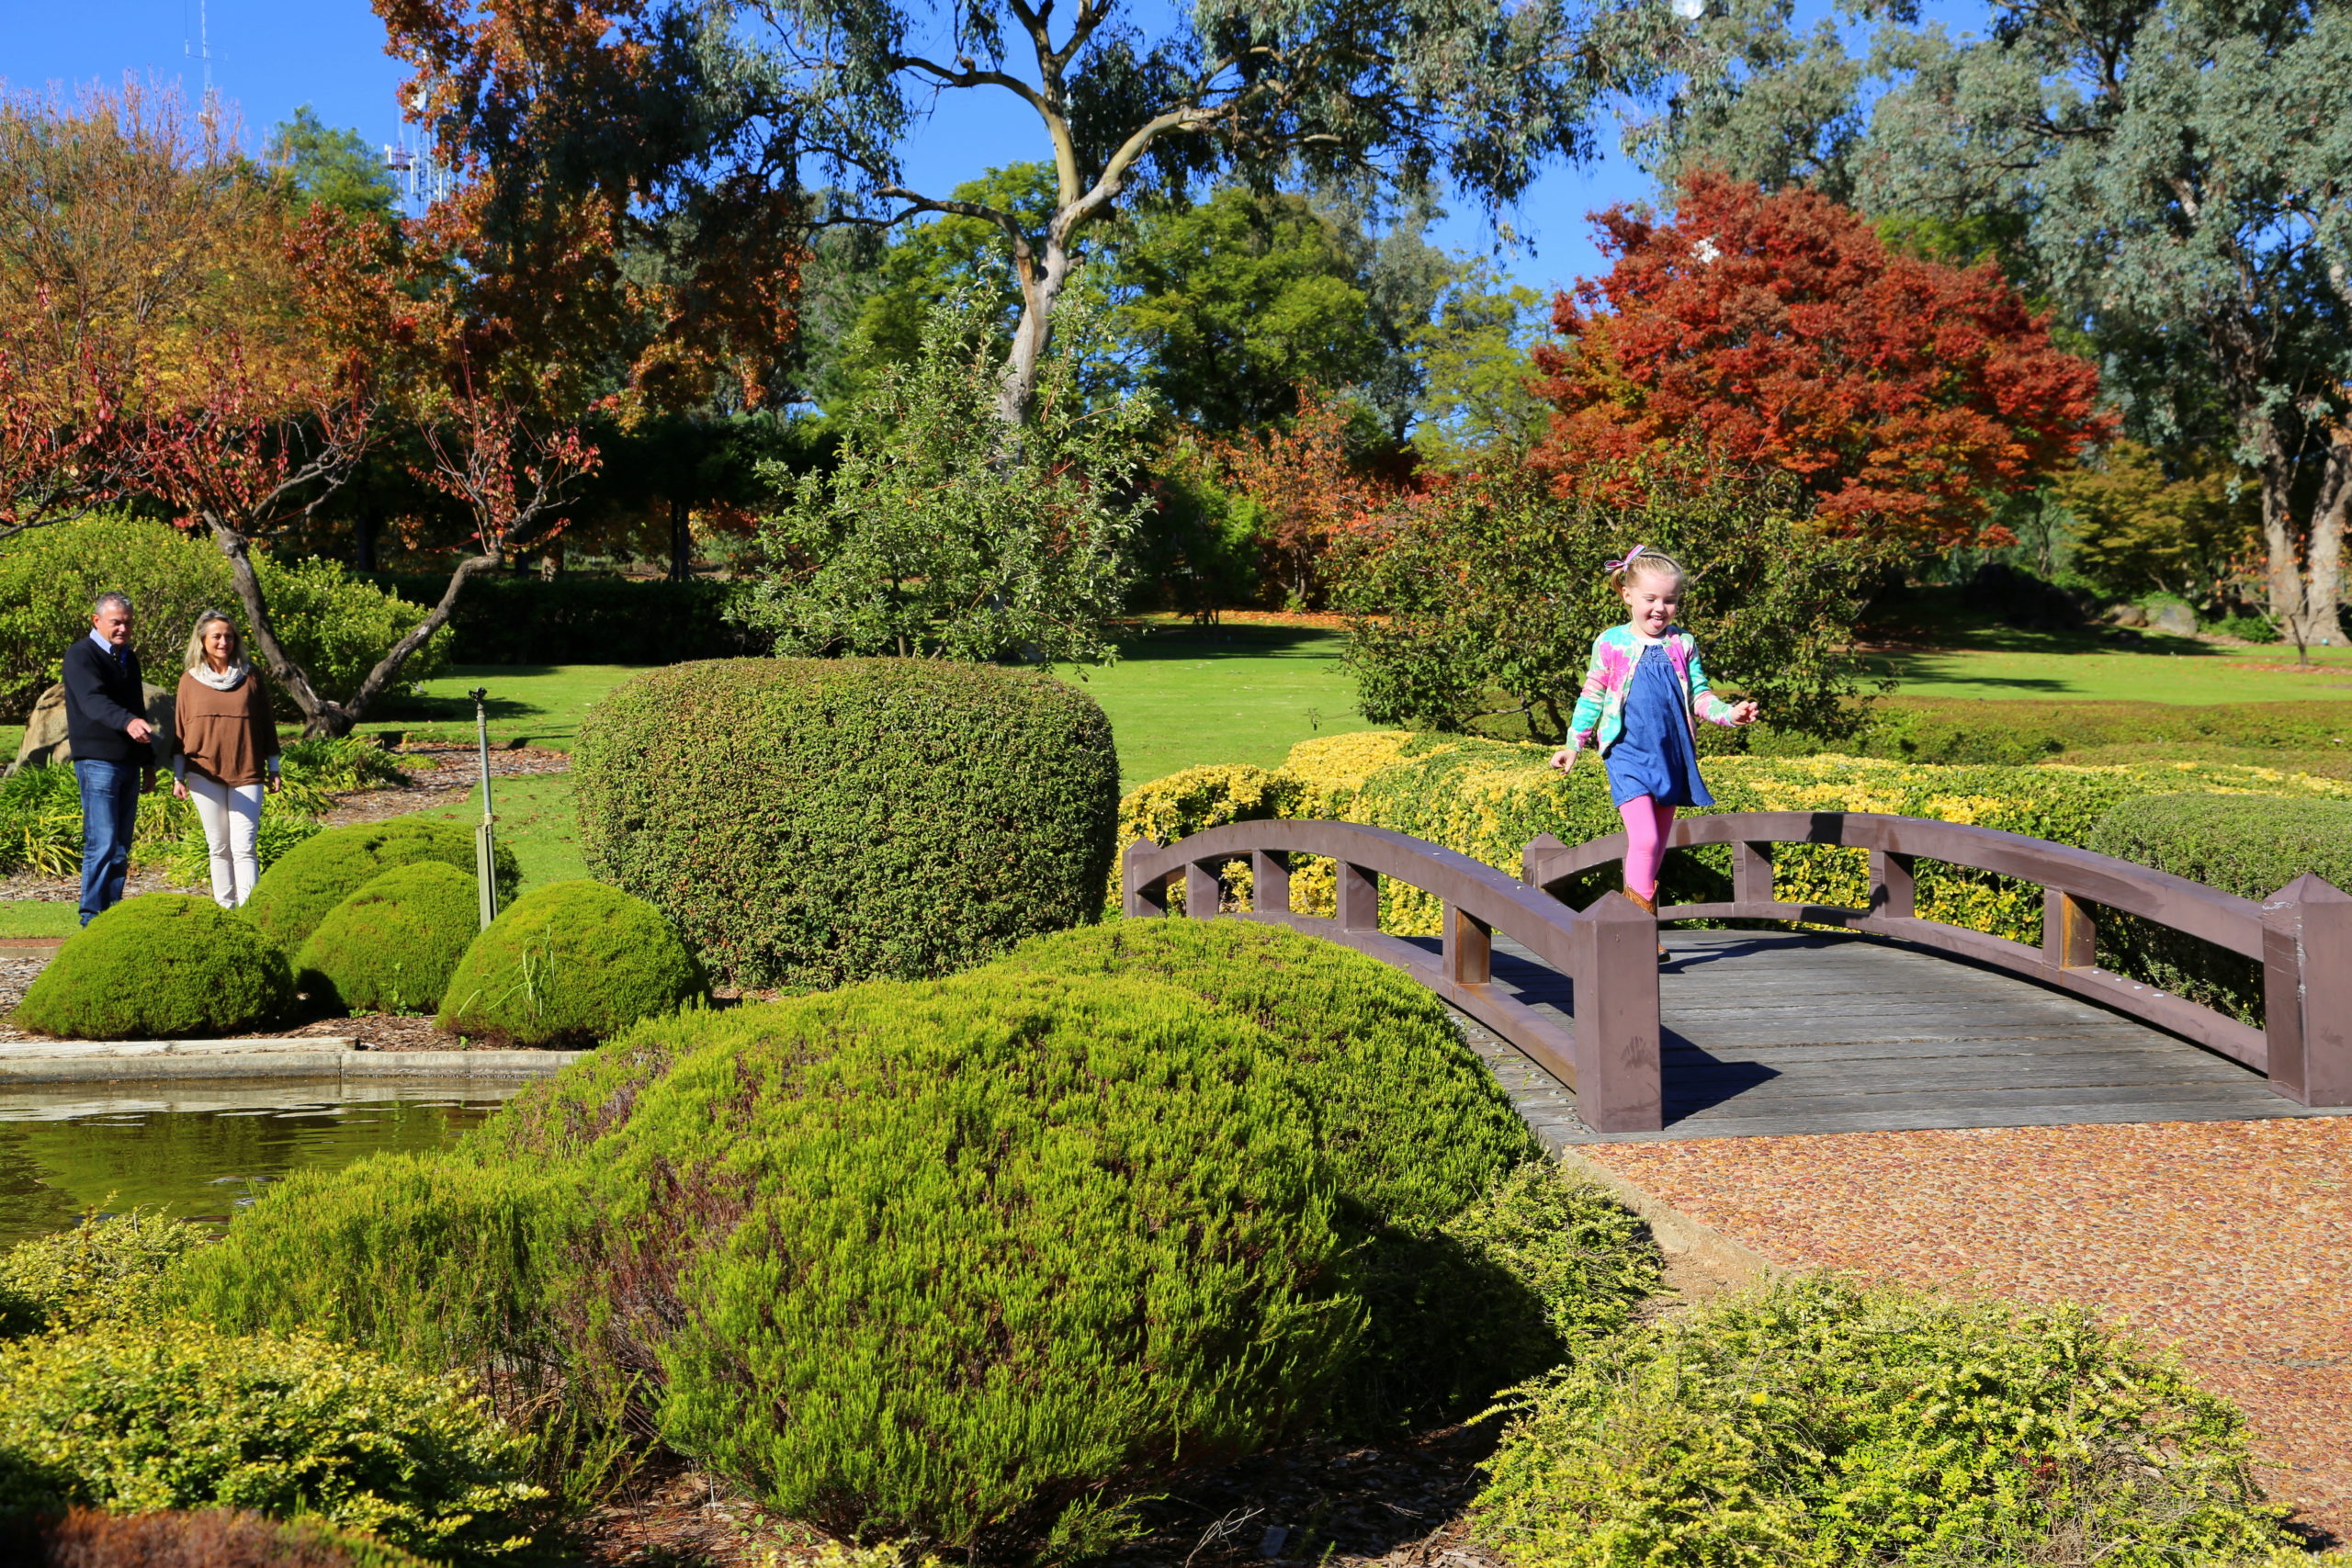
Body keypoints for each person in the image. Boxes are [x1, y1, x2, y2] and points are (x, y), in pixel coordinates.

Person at [1549, 547, 1758, 955]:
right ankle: (1639, 934)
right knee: (1643, 838)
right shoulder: (1611, 643)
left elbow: (1700, 696)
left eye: (1670, 600)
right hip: (1626, 752)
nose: (1660, 608)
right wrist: (1574, 743)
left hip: (1672, 754)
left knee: (1656, 846)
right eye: (1651, 598)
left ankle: (1635, 925)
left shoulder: (1683, 643)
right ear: (1627, 594)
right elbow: (1592, 694)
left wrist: (1729, 715)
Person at [168, 610, 280, 908]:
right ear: (202, 641)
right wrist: (178, 775)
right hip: (203, 774)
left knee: (244, 846)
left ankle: (249, 912)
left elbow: (267, 723)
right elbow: (180, 731)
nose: (223, 642)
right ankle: (225, 910)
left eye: (229, 636)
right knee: (218, 847)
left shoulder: (250, 675)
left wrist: (274, 767)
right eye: (216, 636)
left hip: (246, 770)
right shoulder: (189, 681)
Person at [61, 590, 156, 926]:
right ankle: (90, 919)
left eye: (128, 623)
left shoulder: (128, 658)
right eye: (116, 622)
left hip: (128, 762)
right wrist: (127, 722)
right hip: (98, 761)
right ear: (96, 620)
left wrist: (147, 763)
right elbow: (92, 702)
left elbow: (137, 709)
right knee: (101, 842)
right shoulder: (81, 655)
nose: (123, 629)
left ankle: (110, 919)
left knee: (119, 847)